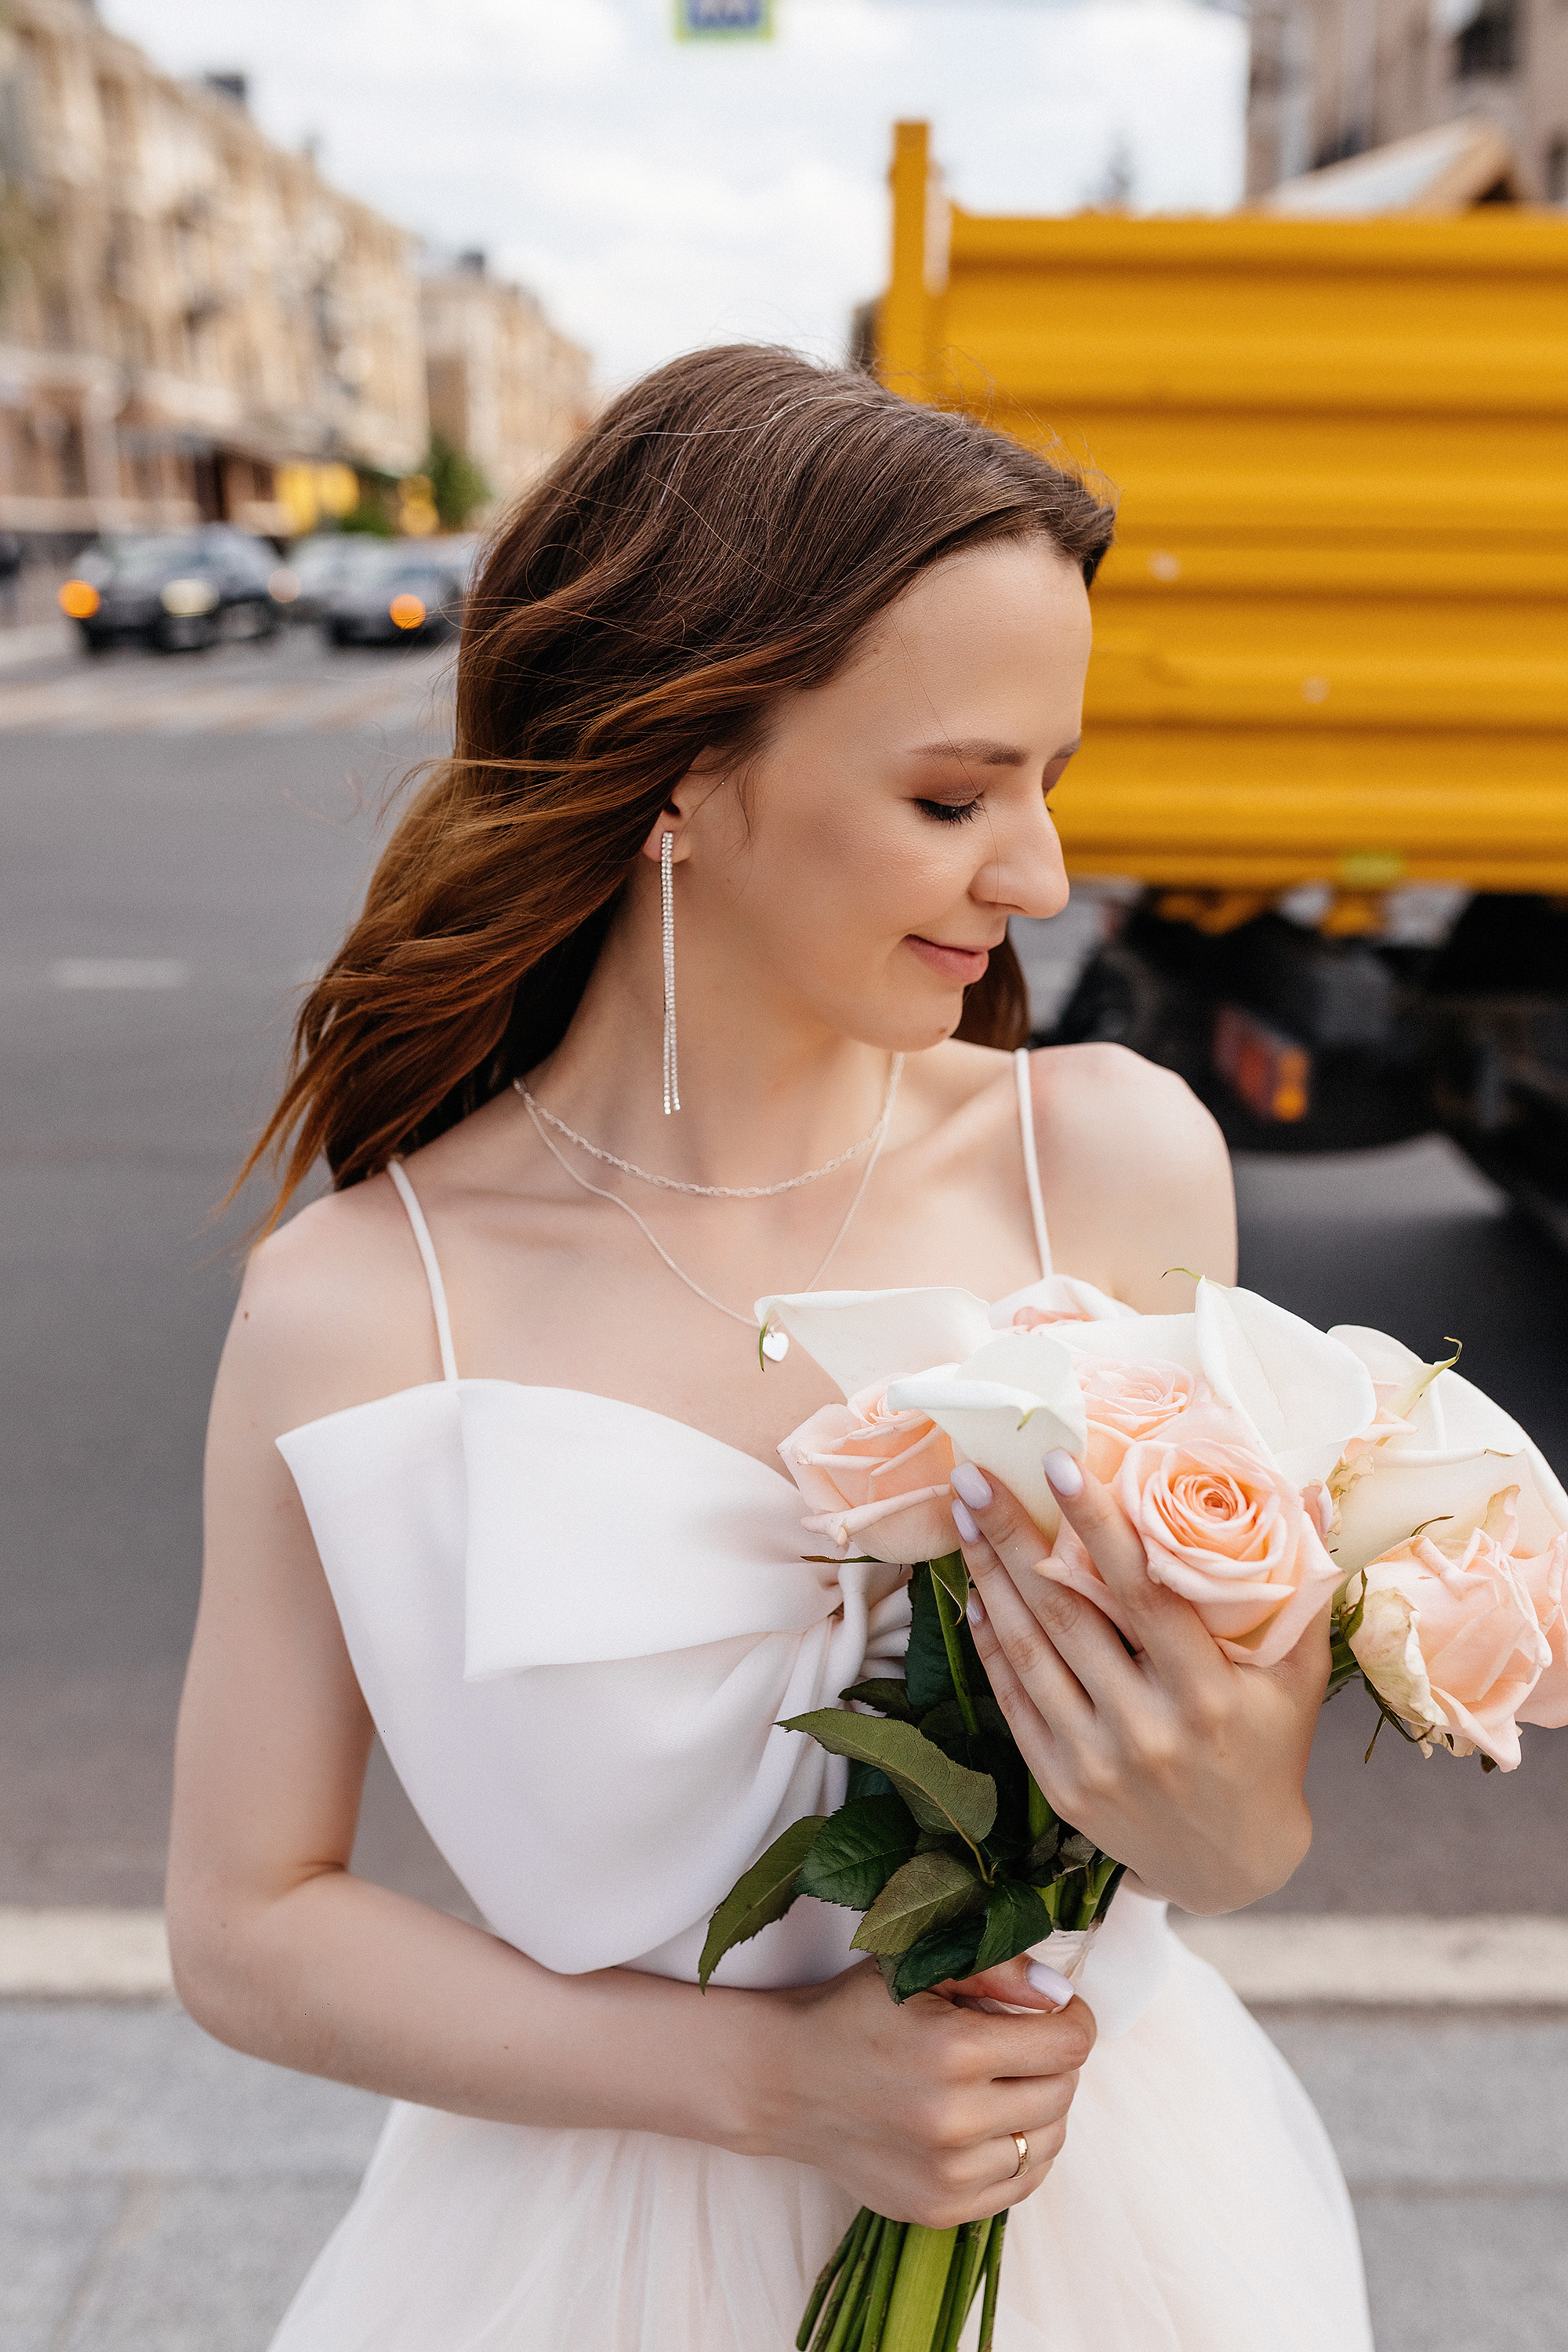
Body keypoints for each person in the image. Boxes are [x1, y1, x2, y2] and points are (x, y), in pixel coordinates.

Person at [169, 346, 1373, 2350]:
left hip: (1121, 2218)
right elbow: (245, 1926)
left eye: (1048, 784)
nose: (1042, 877)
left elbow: (1229, 1839)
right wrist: (769, 2085)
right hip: (578, 2262)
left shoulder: (1114, 1162)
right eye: (951, 794)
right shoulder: (361, 1302)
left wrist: (1229, 1815)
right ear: (682, 774)